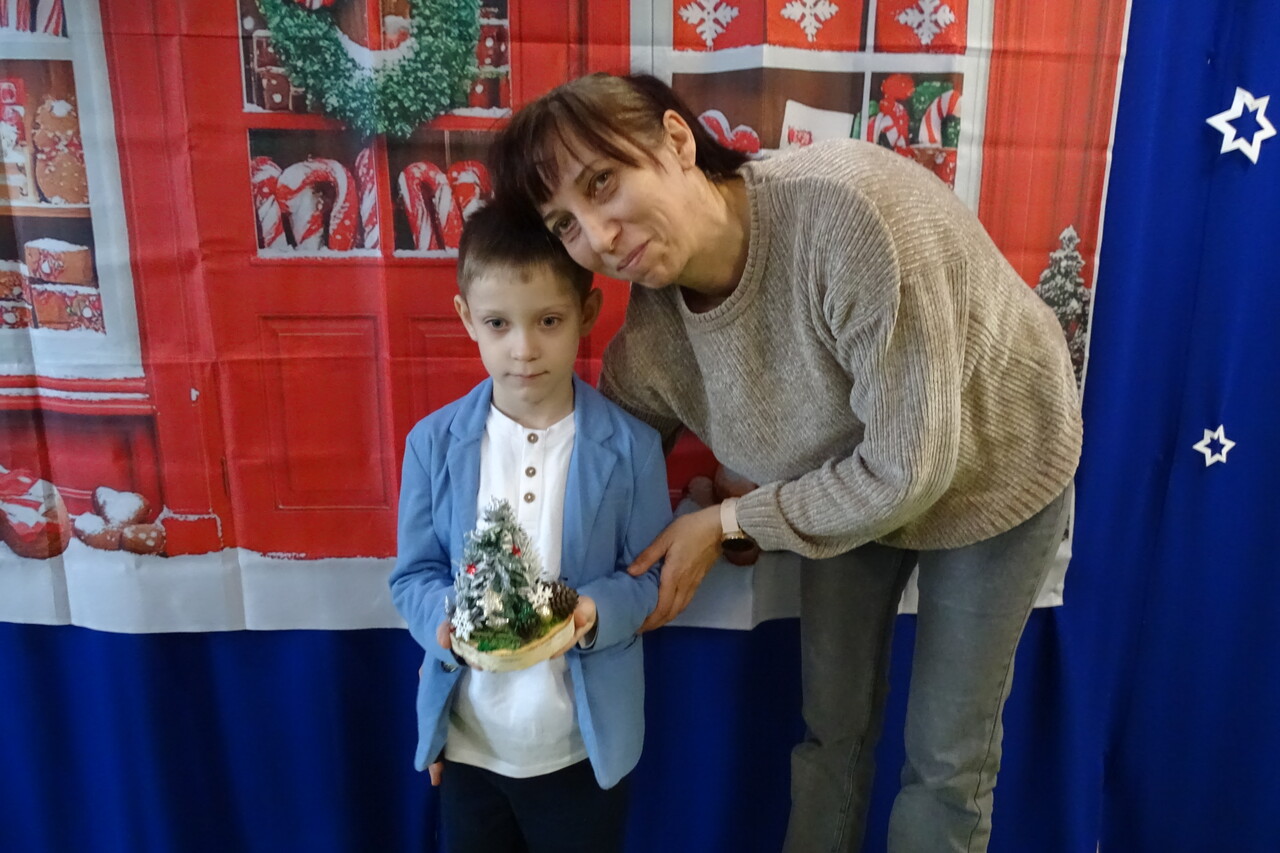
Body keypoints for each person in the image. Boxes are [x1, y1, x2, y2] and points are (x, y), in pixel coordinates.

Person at [488, 73, 1083, 852]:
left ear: (676, 141)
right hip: (846, 475)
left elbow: (907, 472)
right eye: (564, 223)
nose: (598, 235)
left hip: (994, 465)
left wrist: (728, 521)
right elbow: (600, 474)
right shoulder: (656, 334)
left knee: (946, 760)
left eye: (604, 182)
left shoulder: (849, 218)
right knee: (832, 730)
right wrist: (509, 605)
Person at [388, 201, 669, 853]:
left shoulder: (631, 447)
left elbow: (649, 577)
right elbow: (413, 575)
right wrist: (445, 623)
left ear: (586, 314)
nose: (524, 348)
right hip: (470, 749)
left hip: (581, 751)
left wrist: (593, 611)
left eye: (548, 320)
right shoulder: (432, 444)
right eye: (498, 323)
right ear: (467, 318)